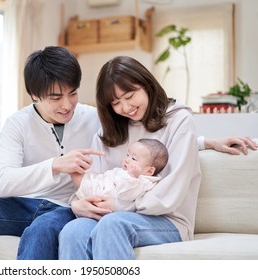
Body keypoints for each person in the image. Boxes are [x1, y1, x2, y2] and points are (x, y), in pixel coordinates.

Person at [0, 46, 257, 260]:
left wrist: (206, 142)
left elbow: (160, 149)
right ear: (35, 96)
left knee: (77, 227)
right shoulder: (29, 124)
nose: (67, 104)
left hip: (116, 213)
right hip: (47, 205)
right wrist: (67, 182)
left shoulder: (112, 118)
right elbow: (9, 182)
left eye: (73, 94)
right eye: (55, 97)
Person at [58, 55, 257, 260]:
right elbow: (93, 182)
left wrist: (120, 205)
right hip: (111, 214)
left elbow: (171, 193)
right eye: (116, 102)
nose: (125, 108)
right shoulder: (105, 135)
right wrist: (78, 204)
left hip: (166, 219)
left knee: (113, 225)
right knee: (73, 231)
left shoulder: (178, 119)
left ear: (146, 84)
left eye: (129, 96)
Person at [70, 138, 168, 212]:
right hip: (102, 184)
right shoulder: (130, 173)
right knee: (80, 173)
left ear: (149, 171)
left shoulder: (141, 182)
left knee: (77, 174)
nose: (127, 159)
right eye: (128, 155)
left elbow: (126, 194)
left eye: (133, 159)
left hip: (101, 194)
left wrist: (132, 177)